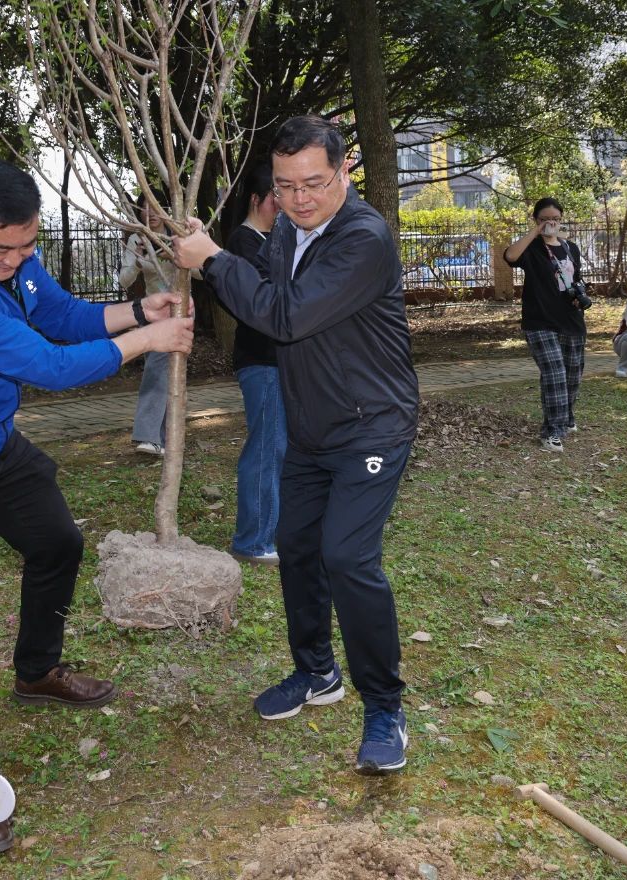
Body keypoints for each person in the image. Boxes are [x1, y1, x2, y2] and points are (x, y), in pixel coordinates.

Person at [0, 159, 193, 858]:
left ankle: (36, 672)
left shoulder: (12, 259)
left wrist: (141, 311)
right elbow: (50, 365)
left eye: (26, 245)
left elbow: (61, 316)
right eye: (2, 248)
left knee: (57, 544)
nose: (15, 260)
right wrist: (147, 343)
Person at [173, 115, 420, 776]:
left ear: (344, 172)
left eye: (313, 183)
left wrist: (214, 261)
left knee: (347, 557)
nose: (299, 198)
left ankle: (385, 708)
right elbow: (268, 289)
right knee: (297, 550)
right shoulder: (287, 228)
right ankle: (316, 672)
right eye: (285, 186)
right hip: (311, 427)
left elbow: (286, 314)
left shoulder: (364, 237)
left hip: (372, 426)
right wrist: (210, 248)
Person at [223, 161, 285, 567]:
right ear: (256, 199)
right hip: (261, 360)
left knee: (282, 448)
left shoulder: (274, 237)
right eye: (276, 198)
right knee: (266, 447)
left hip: (284, 361)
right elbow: (264, 298)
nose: (283, 206)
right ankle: (253, 540)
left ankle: (273, 531)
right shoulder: (243, 242)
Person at [503, 198, 589, 453]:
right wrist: (536, 232)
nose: (551, 223)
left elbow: (576, 278)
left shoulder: (570, 247)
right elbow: (510, 256)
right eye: (545, 219)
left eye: (556, 219)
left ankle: (566, 416)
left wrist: (581, 295)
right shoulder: (531, 247)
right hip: (539, 320)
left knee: (572, 375)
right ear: (536, 220)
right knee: (554, 373)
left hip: (571, 320)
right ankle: (552, 431)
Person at [118, 193, 190, 454]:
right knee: (162, 372)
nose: (149, 213)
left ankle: (151, 436)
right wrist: (138, 261)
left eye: (154, 207)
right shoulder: (137, 239)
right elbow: (124, 280)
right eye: (144, 208)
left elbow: (200, 272)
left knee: (162, 371)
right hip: (154, 315)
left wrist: (177, 257)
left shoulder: (177, 236)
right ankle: (165, 439)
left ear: (165, 208)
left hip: (180, 311)